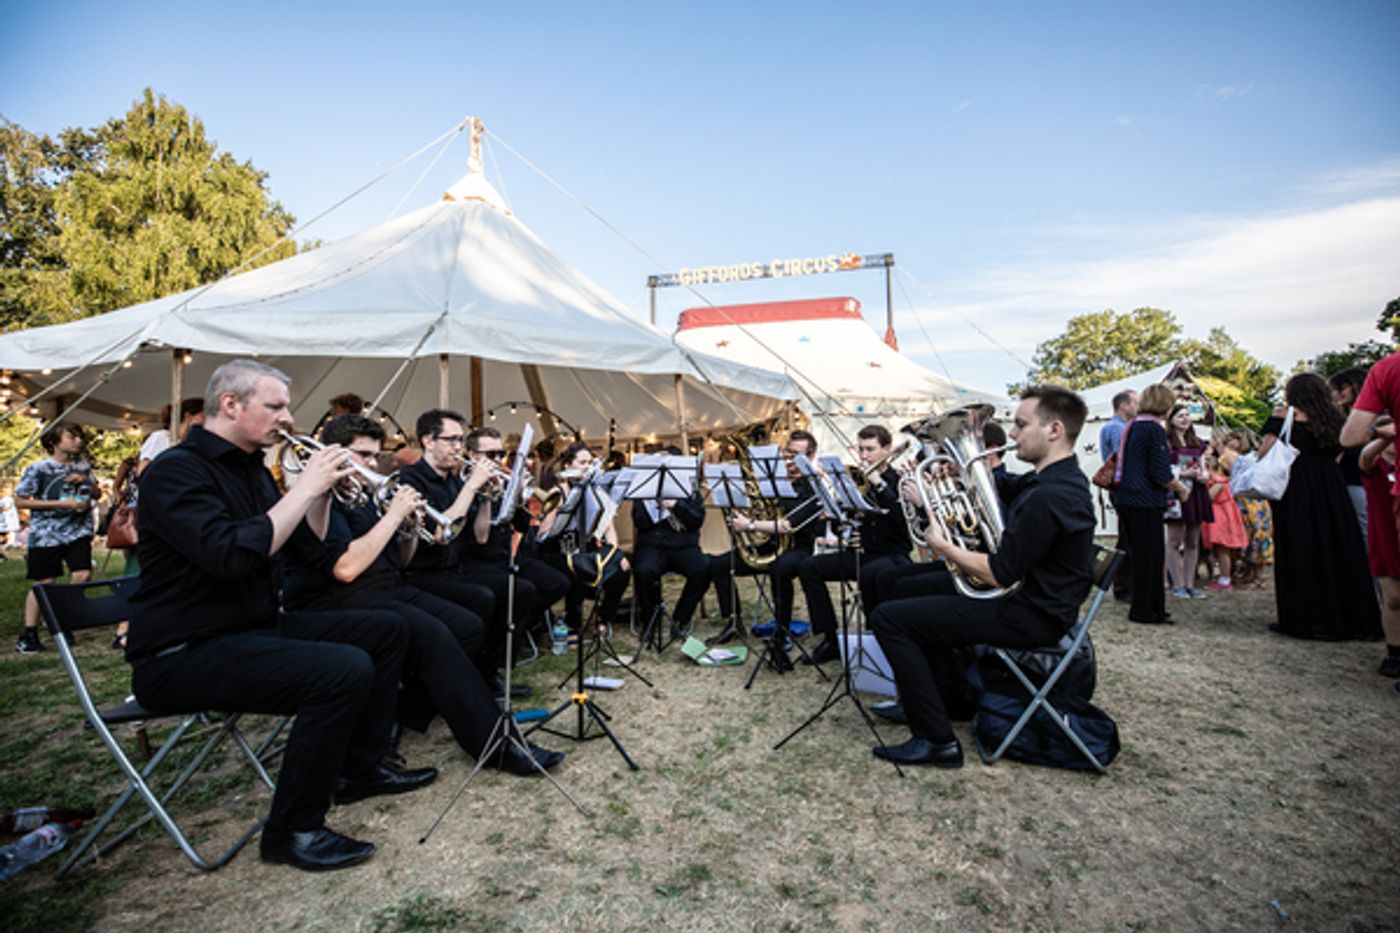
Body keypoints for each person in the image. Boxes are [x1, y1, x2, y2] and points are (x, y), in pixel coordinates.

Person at [126, 360, 436, 872]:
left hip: (248, 628)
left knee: (385, 630)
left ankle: (361, 769)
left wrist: (320, 500)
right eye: (275, 406)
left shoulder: (252, 470)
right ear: (230, 405)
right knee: (339, 670)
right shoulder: (176, 471)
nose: (288, 419)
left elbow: (301, 550)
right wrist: (304, 491)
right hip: (182, 651)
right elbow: (231, 555)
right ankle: (293, 830)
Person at [280, 414, 562, 774]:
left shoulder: (364, 494)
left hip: (387, 586)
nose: (371, 465)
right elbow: (346, 569)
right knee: (435, 634)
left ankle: (412, 710)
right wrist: (394, 517)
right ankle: (496, 743)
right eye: (363, 456)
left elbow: (399, 560)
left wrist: (409, 529)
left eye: (374, 457)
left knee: (467, 625)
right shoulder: (322, 498)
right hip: (343, 597)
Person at [868, 385, 1096, 766]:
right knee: (900, 585)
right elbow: (1010, 486)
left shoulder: (1052, 496)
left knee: (889, 619)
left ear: (1054, 430)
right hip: (1026, 598)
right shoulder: (1054, 480)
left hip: (1030, 612)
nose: (1012, 435)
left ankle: (937, 739)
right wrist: (957, 471)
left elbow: (1001, 573)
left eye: (1022, 426)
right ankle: (931, 698)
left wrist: (945, 547)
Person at [1262, 373, 1379, 641]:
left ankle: (1301, 616)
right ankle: (1347, 615)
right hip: (1330, 486)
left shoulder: (1283, 416)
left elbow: (1266, 452)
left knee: (1298, 548)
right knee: (1336, 547)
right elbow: (1339, 454)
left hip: (1296, 487)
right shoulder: (1335, 419)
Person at [706, 430, 826, 665]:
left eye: (797, 455)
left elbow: (788, 525)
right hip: (769, 544)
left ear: (810, 457)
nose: (790, 460)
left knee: (779, 569)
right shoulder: (772, 479)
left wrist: (749, 524)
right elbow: (762, 510)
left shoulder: (813, 486)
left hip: (799, 548)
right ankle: (733, 622)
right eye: (788, 453)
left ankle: (781, 631)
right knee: (719, 565)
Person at [797, 424, 913, 665]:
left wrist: (880, 485)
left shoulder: (899, 480)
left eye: (870, 449)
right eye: (860, 449)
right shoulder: (855, 479)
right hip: (862, 553)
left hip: (891, 555)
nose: (863, 456)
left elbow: (903, 523)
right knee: (809, 567)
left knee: (872, 576)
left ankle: (877, 640)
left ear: (887, 450)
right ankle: (831, 639)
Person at [14, 422, 102, 654]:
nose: (78, 441)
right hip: (46, 533)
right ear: (54, 441)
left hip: (77, 531)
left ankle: (61, 619)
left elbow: (98, 493)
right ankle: (28, 634)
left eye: (80, 436)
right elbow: (21, 501)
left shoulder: (83, 466)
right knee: (45, 583)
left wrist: (86, 483)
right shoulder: (39, 468)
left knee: (82, 574)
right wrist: (60, 504)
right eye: (71, 436)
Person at [534, 441, 631, 639]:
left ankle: (603, 618)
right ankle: (573, 625)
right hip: (557, 551)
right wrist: (558, 509)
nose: (587, 467)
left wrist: (615, 555)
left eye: (590, 462)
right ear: (567, 466)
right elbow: (542, 534)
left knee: (622, 571)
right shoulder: (557, 493)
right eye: (582, 462)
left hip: (584, 549)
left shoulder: (595, 490)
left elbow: (609, 529)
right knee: (574, 571)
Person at [1114, 384, 1189, 625]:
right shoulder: (1153, 429)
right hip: (1145, 501)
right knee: (1150, 558)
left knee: (1141, 557)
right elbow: (1160, 472)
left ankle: (1149, 606)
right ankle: (1146, 610)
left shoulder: (1134, 425)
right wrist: (1180, 488)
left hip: (1128, 498)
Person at [631, 446, 710, 640]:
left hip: (683, 546)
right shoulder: (644, 489)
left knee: (703, 569)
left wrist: (677, 505)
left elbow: (696, 521)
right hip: (652, 545)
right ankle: (651, 620)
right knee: (644, 570)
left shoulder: (691, 490)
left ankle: (680, 621)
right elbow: (639, 521)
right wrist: (655, 507)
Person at [1358, 419, 1400, 677]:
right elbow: (1365, 457)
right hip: (1385, 535)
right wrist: (1385, 437)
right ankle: (1394, 651)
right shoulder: (1375, 463)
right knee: (1393, 598)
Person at [1165, 404, 1214, 598]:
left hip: (1197, 493)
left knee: (1193, 540)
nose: (1185, 419)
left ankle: (1190, 583)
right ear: (1171, 420)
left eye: (1187, 415)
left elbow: (1205, 469)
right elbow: (1163, 470)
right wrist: (1184, 473)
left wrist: (1204, 475)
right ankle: (1177, 584)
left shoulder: (1198, 443)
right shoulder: (1166, 442)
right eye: (1180, 415)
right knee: (1175, 539)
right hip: (1176, 493)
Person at [1100, 390, 1138, 601]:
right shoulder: (1118, 428)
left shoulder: (1115, 427)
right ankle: (1124, 586)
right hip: (1123, 487)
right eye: (1136, 403)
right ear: (1124, 405)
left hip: (1120, 488)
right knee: (1127, 538)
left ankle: (1124, 584)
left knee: (1126, 536)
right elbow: (1124, 458)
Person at [1329, 367, 1369, 547]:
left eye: (1344, 387)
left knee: (1365, 532)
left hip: (1362, 482)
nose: (1339, 393)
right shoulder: (1338, 420)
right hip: (1343, 482)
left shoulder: (1374, 418)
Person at [1200, 447, 1247, 590]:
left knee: (1222, 549)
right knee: (1220, 550)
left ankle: (1225, 579)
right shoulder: (1218, 480)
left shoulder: (1218, 481)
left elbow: (1209, 497)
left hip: (1221, 519)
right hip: (1218, 517)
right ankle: (1223, 577)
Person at [136, 398, 205, 476]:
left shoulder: (188, 443)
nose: (206, 421)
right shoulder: (161, 437)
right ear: (188, 416)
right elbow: (143, 470)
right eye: (203, 416)